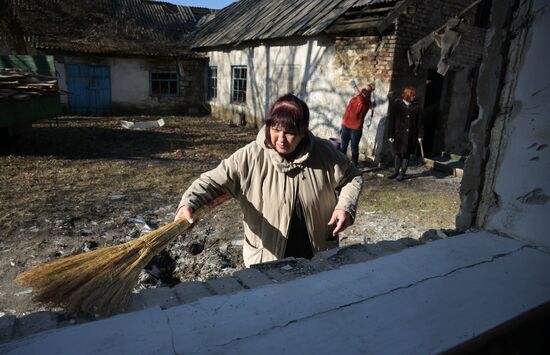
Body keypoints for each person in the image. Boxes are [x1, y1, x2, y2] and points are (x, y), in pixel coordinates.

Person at [175, 94, 363, 267]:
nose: (281, 139)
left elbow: (353, 177)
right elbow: (212, 181)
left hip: (317, 256)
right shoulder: (248, 157)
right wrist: (189, 202)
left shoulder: (324, 154)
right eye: (275, 129)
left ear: (303, 131)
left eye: (290, 132)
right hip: (267, 260)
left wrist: (345, 206)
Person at [387, 86, 424, 181]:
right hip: (398, 134)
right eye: (412, 95)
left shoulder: (417, 107)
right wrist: (391, 134)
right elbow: (392, 121)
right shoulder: (397, 105)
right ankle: (396, 172)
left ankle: (402, 173)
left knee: (406, 154)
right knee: (398, 153)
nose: (414, 97)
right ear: (407, 95)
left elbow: (420, 123)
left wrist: (420, 135)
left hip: (410, 135)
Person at [340, 82, 375, 166]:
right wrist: (342, 123)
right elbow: (347, 112)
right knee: (343, 147)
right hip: (346, 127)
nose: (363, 90)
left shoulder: (367, 102)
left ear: (369, 92)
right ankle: (341, 164)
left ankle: (354, 165)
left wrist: (354, 86)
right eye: (363, 88)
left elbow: (361, 98)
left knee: (354, 148)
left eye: (366, 89)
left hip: (355, 129)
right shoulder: (353, 99)